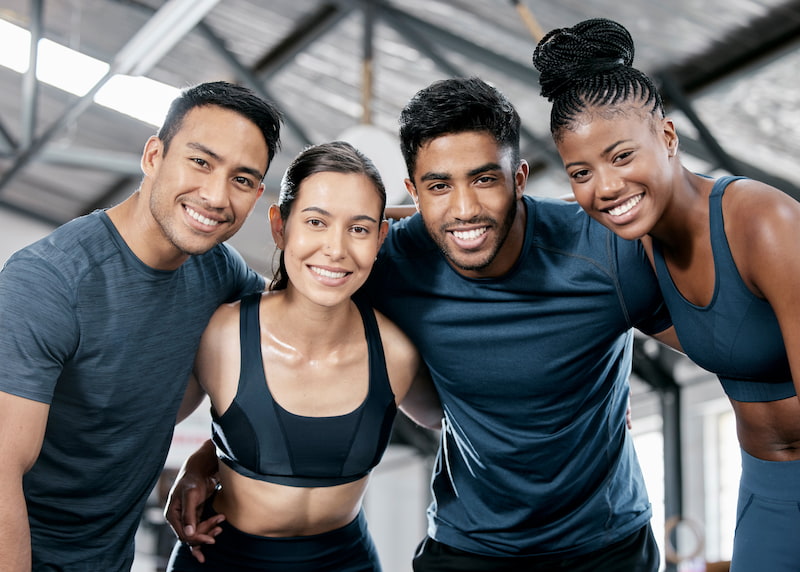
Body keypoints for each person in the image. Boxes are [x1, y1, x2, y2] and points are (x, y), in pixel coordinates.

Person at [167, 76, 678, 571]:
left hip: (606, 542)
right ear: (415, 191)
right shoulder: (384, 265)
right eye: (439, 186)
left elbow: (724, 344)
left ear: (518, 178)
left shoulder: (607, 253)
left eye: (485, 179)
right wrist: (208, 461)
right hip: (468, 544)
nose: (464, 209)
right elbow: (275, 389)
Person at [532, 17, 800, 572]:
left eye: (622, 156)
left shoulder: (762, 223)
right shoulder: (630, 248)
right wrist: (364, 218)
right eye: (581, 171)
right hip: (767, 487)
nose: (605, 187)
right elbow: (511, 222)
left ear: (669, 138)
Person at [0, 80, 282, 571]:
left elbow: (303, 328)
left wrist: (207, 460)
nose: (216, 195)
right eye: (200, 161)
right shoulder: (48, 281)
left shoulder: (220, 272)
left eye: (241, 179)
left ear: (257, 194)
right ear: (154, 156)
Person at [165, 141, 441, 572]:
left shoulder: (397, 352)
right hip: (220, 559)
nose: (335, 248)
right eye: (316, 221)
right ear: (280, 225)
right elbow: (139, 429)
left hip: (345, 563)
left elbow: (469, 425)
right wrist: (200, 463)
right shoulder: (221, 334)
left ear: (380, 238)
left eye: (359, 229)